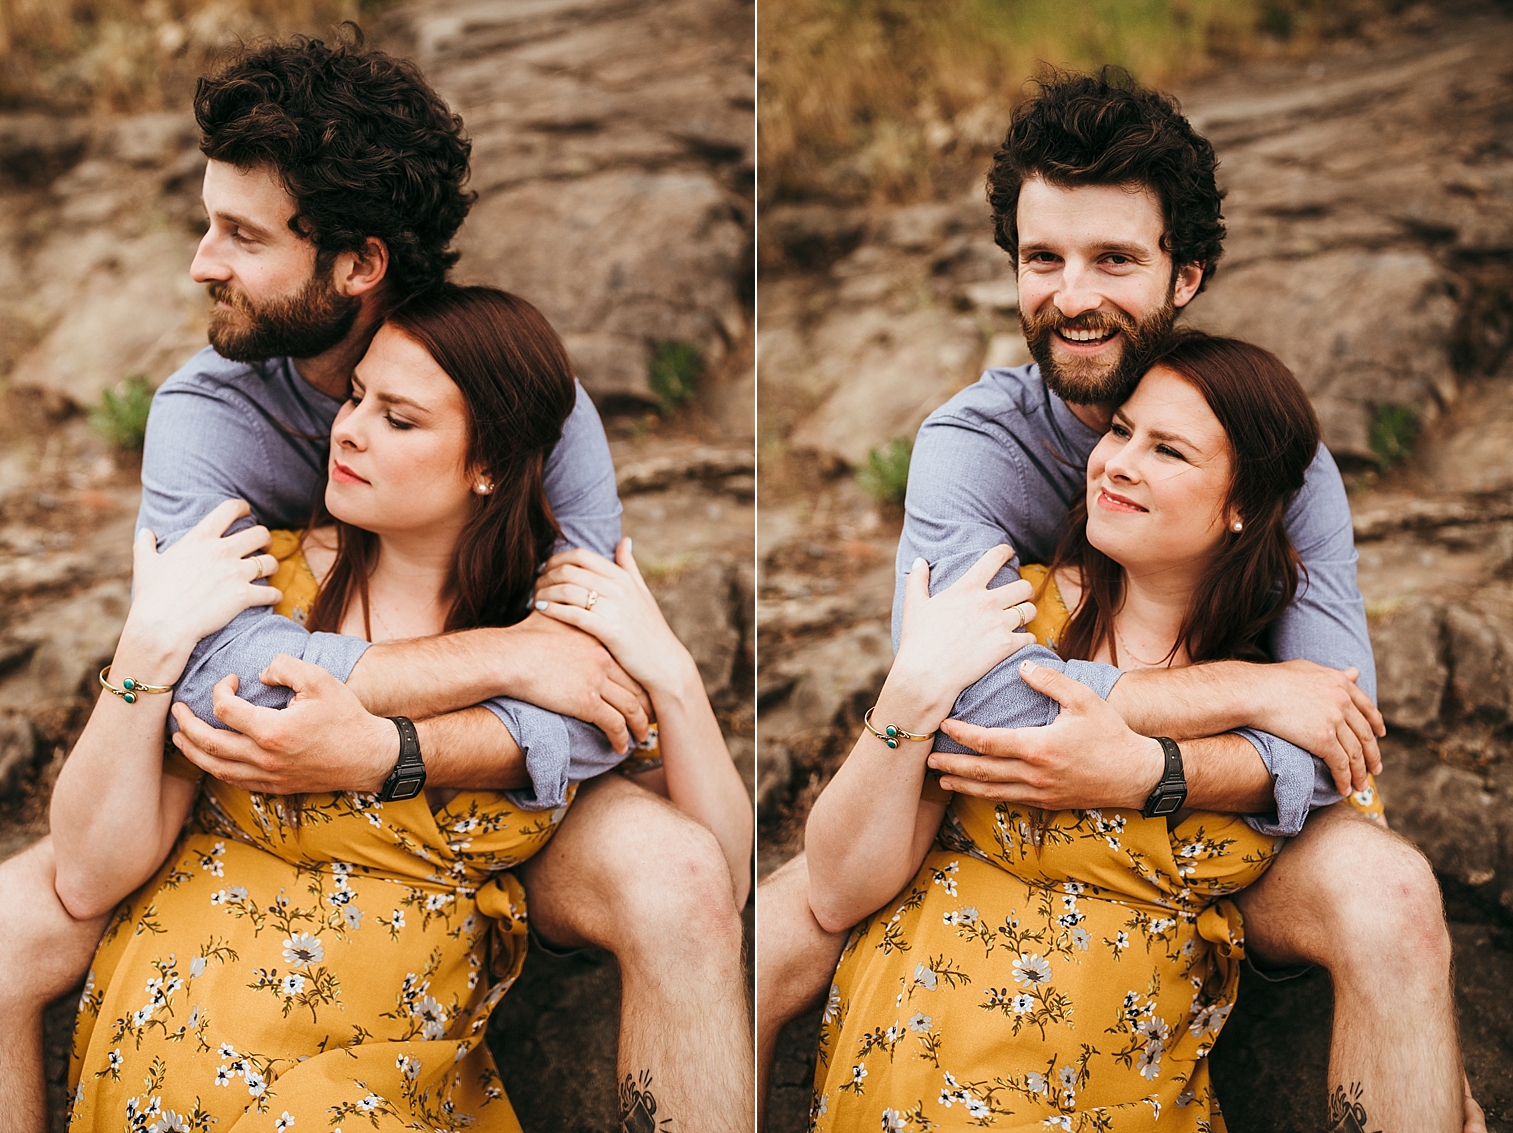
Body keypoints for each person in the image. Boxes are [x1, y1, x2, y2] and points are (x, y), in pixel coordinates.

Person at [0, 32, 753, 1133]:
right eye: (211, 223)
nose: (203, 263)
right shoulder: (210, 411)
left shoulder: (527, 399)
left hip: (491, 793)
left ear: (357, 263)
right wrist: (504, 654)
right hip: (281, 764)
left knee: (684, 879)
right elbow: (225, 671)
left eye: (241, 235)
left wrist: (397, 751)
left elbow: (598, 688)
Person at [758, 69, 1481, 1133]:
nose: (1072, 294)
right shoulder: (971, 447)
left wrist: (1154, 769)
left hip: (1209, 823)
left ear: (1185, 274)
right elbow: (981, 705)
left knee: (1393, 897)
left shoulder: (1284, 460)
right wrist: (1242, 685)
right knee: (765, 926)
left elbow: (1332, 728)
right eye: (1042, 258)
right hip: (1005, 798)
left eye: (1113, 259)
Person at [807, 331, 1371, 1129]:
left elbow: (1348, 796)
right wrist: (905, 701)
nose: (1118, 462)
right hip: (930, 1075)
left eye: (1167, 450)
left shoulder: (1289, 693)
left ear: (1241, 504)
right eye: (1118, 431)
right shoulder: (1009, 622)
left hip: (1134, 1101)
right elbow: (836, 886)